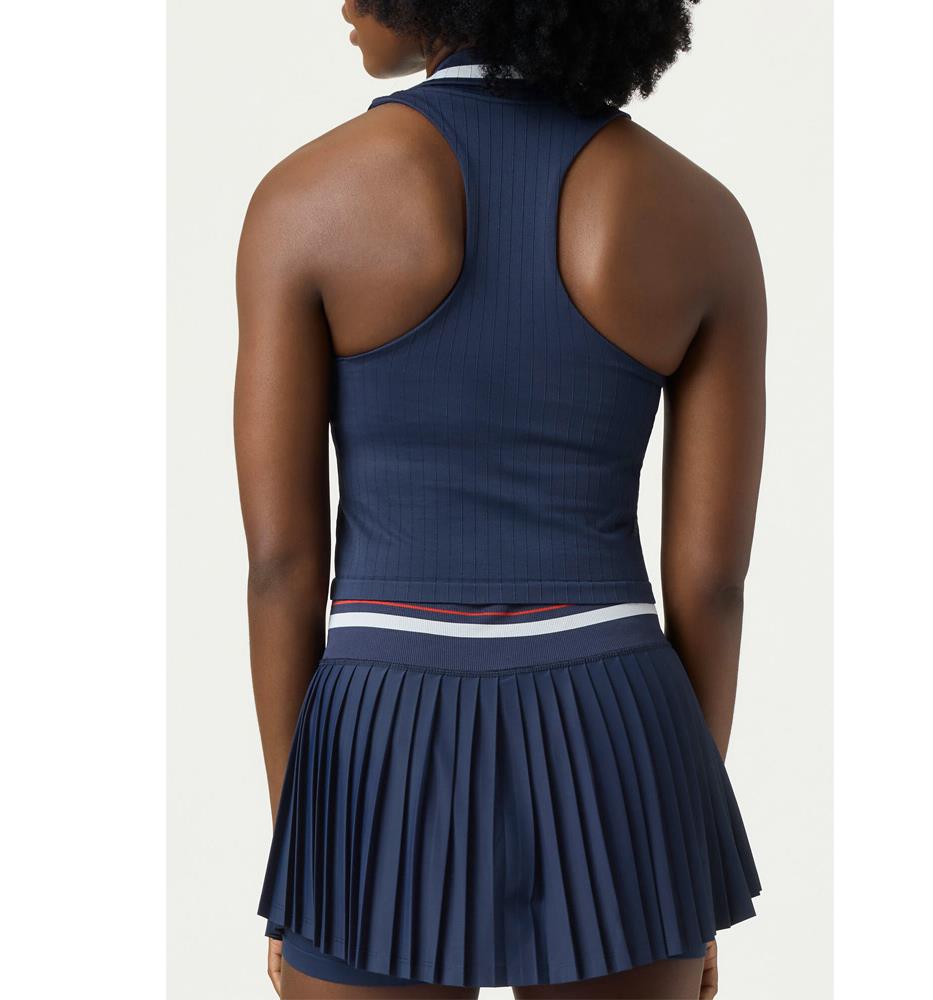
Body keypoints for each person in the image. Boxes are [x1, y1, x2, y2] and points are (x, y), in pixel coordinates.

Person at [235, 2, 765, 997]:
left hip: (380, 729)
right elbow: (712, 584)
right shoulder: (699, 213)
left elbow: (281, 567)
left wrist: (302, 856)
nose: (343, 1)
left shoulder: (306, 198)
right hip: (620, 729)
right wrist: (678, 855)